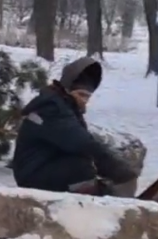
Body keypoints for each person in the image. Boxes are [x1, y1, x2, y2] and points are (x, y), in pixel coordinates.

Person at [11, 56, 138, 196]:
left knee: (87, 166)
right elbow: (81, 142)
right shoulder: (52, 108)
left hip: (40, 168)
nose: (83, 101)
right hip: (32, 175)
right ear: (67, 89)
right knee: (81, 169)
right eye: (80, 94)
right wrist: (116, 169)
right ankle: (88, 205)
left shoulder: (63, 105)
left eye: (87, 97)